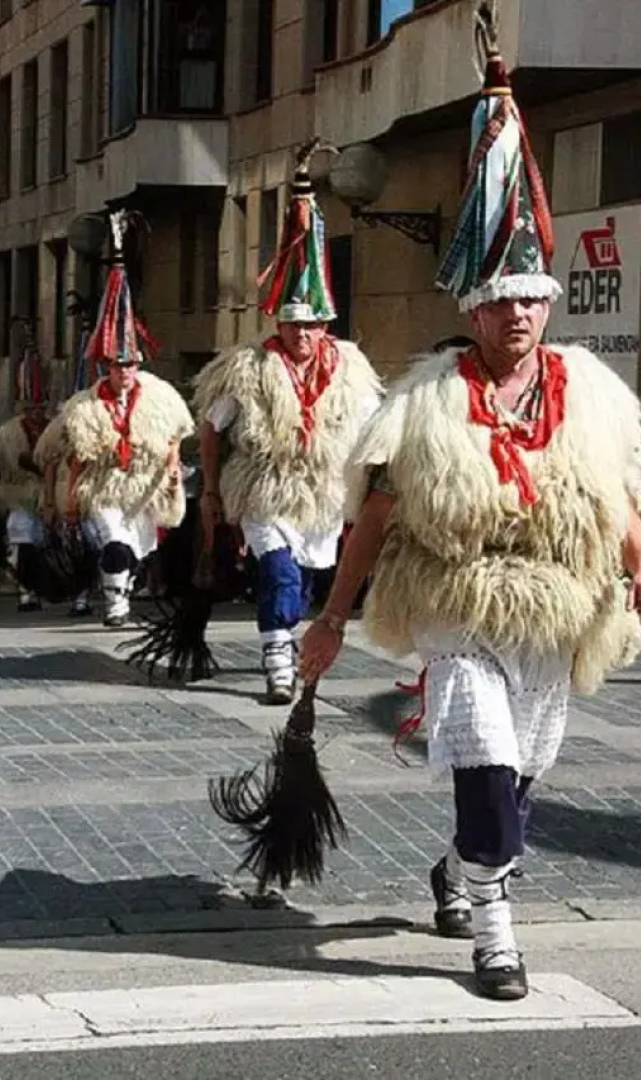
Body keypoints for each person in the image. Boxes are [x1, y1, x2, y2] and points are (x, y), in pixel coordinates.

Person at [297, 34, 641, 1003]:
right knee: (484, 767)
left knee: (523, 772)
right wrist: (332, 618)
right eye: (500, 302)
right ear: (471, 308)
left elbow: (617, 488)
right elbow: (374, 520)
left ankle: (461, 876)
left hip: (557, 603)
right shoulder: (423, 401)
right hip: (457, 601)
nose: (518, 318)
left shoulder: (586, 390)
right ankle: (495, 937)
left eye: (531, 301)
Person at [192, 143, 384, 703]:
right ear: (278, 321)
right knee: (276, 570)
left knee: (302, 580)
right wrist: (210, 489)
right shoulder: (249, 368)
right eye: (293, 324)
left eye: (312, 325)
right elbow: (212, 427)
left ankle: (285, 632)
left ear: (326, 325)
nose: (302, 336)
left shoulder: (350, 369)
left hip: (323, 493)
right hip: (265, 488)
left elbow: (375, 431)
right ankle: (278, 658)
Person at [36, 210, 193, 628]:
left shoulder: (160, 397)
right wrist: (64, 502)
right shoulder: (84, 406)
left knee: (135, 548)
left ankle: (120, 592)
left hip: (144, 486)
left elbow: (176, 434)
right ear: (106, 365)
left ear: (137, 363)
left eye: (129, 364)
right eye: (116, 364)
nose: (123, 371)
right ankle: (117, 606)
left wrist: (173, 470)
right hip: (104, 486)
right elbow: (69, 455)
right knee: (113, 541)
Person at [0, 342, 54, 612]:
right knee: (21, 539)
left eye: (40, 408)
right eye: (31, 408)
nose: (36, 413)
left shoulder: (54, 432)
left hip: (50, 493)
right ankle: (25, 590)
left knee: (50, 543)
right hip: (19, 495)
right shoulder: (7, 436)